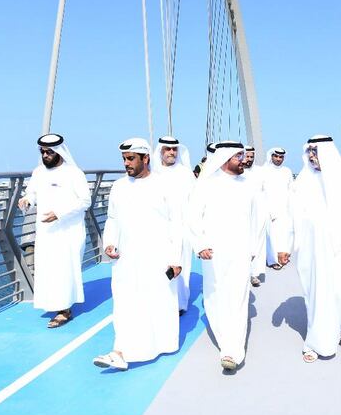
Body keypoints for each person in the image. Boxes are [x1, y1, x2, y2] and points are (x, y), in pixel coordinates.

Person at [93, 138, 183, 370]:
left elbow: (176, 224)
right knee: (124, 302)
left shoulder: (164, 186)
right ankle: (120, 351)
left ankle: (161, 344)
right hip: (126, 258)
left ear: (146, 158)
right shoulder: (119, 187)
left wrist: (176, 260)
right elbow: (112, 218)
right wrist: (110, 243)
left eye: (131, 158)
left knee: (157, 302)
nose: (126, 163)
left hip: (157, 257)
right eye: (124, 159)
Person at [276, 135, 341, 363]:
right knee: (317, 295)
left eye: (317, 151)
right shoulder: (302, 182)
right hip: (311, 249)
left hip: (338, 247)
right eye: (310, 152)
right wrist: (284, 246)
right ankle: (316, 342)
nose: (313, 156)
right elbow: (290, 215)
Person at [188, 141, 259, 372]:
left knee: (238, 297)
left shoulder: (249, 184)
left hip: (240, 251)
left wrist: (253, 250)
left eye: (244, 155)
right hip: (213, 253)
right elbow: (193, 218)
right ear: (226, 158)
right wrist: (199, 245)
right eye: (239, 156)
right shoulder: (206, 185)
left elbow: (258, 219)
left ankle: (233, 350)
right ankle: (224, 340)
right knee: (215, 297)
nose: (244, 160)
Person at [18, 134, 90, 328]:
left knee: (64, 269)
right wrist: (27, 200)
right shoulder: (38, 172)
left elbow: (85, 201)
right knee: (49, 269)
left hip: (69, 231)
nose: (46, 155)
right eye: (42, 151)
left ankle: (64, 310)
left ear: (59, 152)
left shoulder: (74, 173)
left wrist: (59, 214)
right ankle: (55, 303)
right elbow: (32, 192)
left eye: (49, 152)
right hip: (46, 230)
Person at [153, 135, 196, 315]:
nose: (171, 152)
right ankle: (162, 301)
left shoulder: (185, 174)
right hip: (158, 228)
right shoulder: (152, 173)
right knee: (159, 265)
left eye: (174, 149)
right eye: (167, 149)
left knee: (182, 265)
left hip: (182, 227)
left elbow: (195, 202)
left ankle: (180, 304)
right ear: (160, 151)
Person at [261, 147, 294, 271]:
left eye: (281, 157)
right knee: (270, 235)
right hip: (268, 207)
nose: (278, 159)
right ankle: (271, 260)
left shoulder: (287, 171)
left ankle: (280, 256)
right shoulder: (263, 171)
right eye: (276, 156)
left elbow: (291, 189)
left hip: (284, 208)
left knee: (283, 234)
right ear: (271, 156)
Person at [242, 145, 268, 286]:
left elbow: (265, 192)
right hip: (242, 213)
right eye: (247, 156)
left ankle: (254, 274)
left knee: (257, 242)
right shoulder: (237, 171)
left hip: (258, 213)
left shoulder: (260, 172)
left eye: (252, 157)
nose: (249, 159)